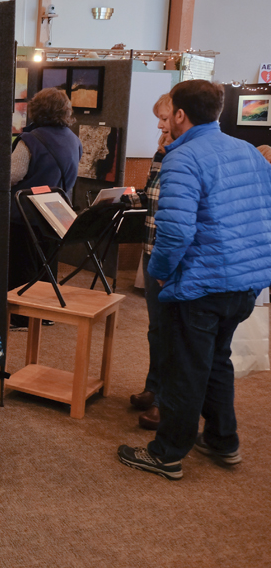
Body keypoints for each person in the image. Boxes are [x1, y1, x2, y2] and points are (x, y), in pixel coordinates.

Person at [118, 79, 271, 480]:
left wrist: (161, 274)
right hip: (243, 284)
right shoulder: (249, 153)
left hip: (200, 285)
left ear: (180, 114)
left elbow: (175, 233)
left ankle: (167, 453)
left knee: (185, 366)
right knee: (217, 361)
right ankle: (223, 441)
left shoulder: (182, 158)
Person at [7, 88, 82, 328]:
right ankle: (46, 312)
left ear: (36, 109)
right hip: (58, 212)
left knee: (22, 263)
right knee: (47, 262)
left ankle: (21, 316)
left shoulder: (31, 139)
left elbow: (12, 174)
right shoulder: (73, 138)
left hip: (25, 214)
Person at [125, 94, 173, 430]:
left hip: (169, 255)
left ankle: (166, 403)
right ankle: (153, 388)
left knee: (173, 333)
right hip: (152, 248)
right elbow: (150, 194)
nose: (159, 125)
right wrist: (126, 197)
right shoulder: (161, 153)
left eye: (165, 118)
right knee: (157, 330)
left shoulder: (186, 157)